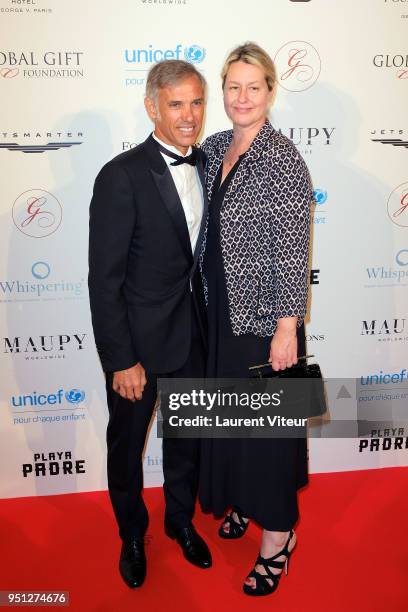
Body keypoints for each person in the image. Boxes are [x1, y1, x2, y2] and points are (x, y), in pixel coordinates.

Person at [88, 59, 212, 589]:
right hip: (137, 346)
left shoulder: (210, 164)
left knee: (186, 440)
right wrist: (121, 359)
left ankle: (180, 520)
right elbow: (104, 279)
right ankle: (132, 534)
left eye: (197, 102)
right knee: (127, 445)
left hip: (193, 335)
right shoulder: (121, 176)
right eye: (177, 103)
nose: (189, 115)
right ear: (152, 107)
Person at [198, 42, 312, 596]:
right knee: (230, 421)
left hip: (265, 321)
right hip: (220, 312)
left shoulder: (284, 158)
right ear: (223, 92)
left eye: (254, 87)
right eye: (233, 87)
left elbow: (294, 248)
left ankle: (279, 539)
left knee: (267, 431)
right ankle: (241, 497)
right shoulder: (215, 146)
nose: (242, 97)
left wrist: (286, 327)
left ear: (271, 91)